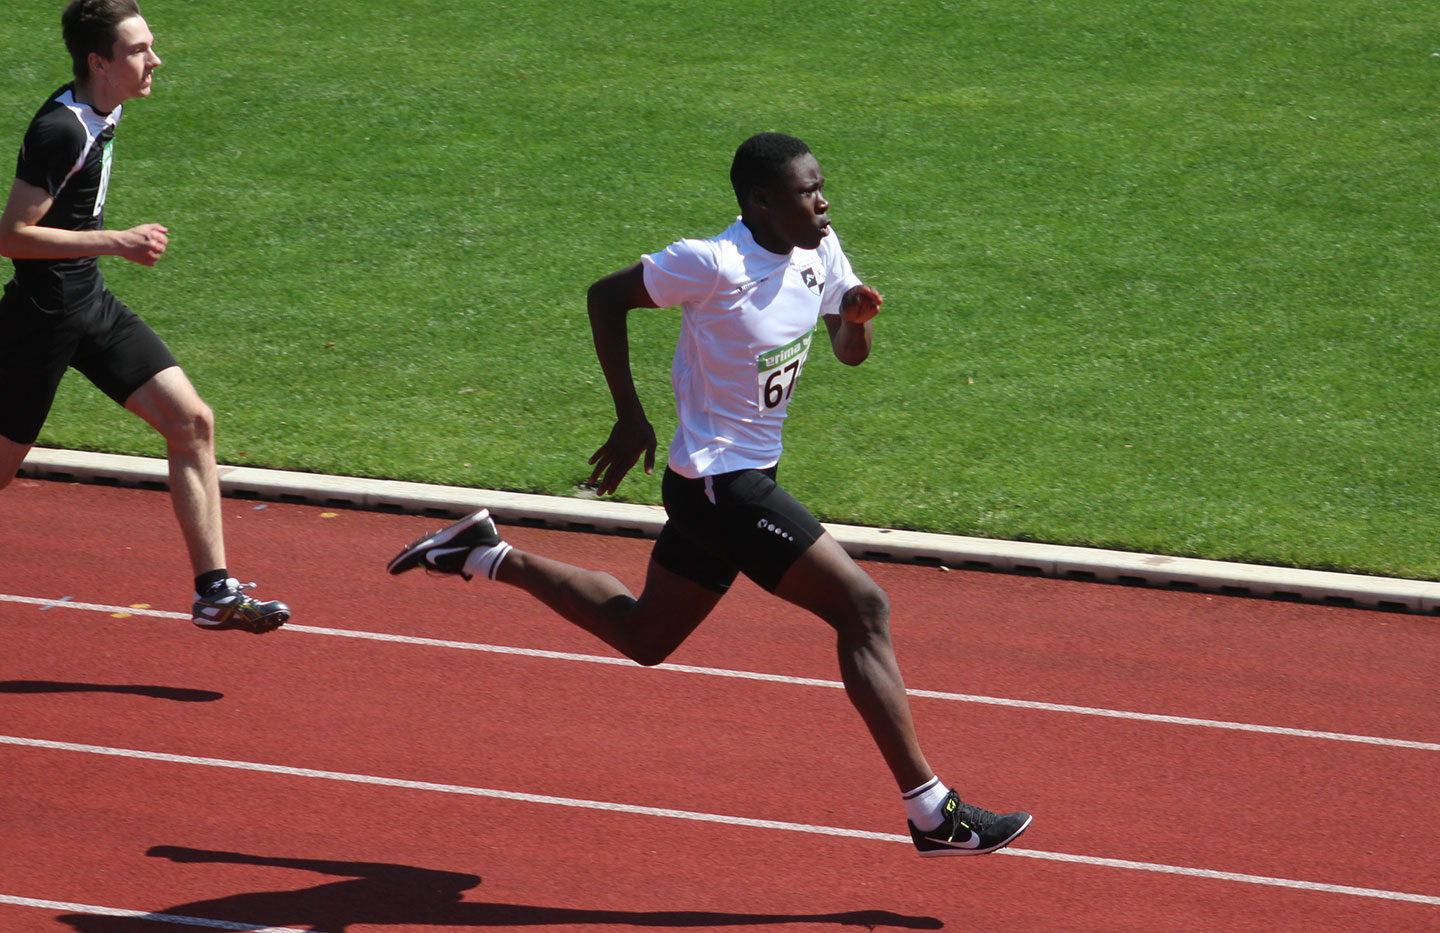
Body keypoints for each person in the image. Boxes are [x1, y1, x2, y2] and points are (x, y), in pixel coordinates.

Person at [389, 132, 1030, 856]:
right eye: (805, 191)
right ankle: (932, 813)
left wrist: (853, 320)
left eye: (822, 187)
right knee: (863, 605)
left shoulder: (821, 249)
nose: (823, 201)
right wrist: (631, 415)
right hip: (719, 483)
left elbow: (849, 352)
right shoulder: (712, 262)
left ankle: (484, 553)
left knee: (645, 636)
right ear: (760, 201)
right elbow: (605, 296)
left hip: (742, 479)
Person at [0, 0, 288, 634]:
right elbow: (13, 236)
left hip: (88, 301)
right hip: (42, 317)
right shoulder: (62, 130)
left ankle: (215, 593)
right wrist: (118, 240)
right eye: (139, 50)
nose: (154, 58)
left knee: (191, 421)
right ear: (100, 63)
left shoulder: (106, 103)